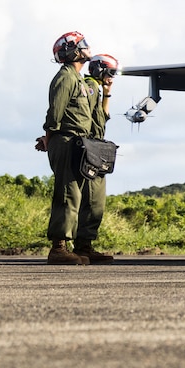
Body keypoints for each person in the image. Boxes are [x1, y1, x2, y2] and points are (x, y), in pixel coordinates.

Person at [35, 31, 96, 265]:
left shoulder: (79, 79)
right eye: (83, 45)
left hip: (78, 142)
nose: (87, 47)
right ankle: (58, 247)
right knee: (67, 192)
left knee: (76, 194)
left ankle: (71, 245)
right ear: (72, 51)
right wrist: (49, 138)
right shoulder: (66, 77)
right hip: (66, 140)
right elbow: (55, 113)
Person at [74, 54, 120, 264]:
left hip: (92, 146)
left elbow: (103, 117)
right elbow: (95, 122)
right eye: (109, 72)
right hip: (90, 147)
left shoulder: (96, 89)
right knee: (92, 201)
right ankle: (83, 246)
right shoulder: (91, 87)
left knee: (92, 200)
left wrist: (108, 94)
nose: (111, 77)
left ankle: (85, 245)